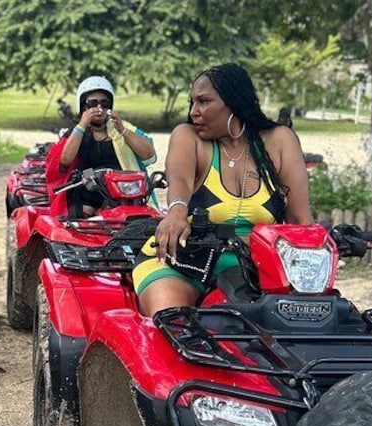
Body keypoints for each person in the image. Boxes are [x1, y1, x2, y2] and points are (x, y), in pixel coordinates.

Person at [134, 63, 313, 316]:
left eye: (204, 102)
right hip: (183, 258)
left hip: (253, 267)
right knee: (172, 324)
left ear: (233, 102)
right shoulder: (188, 136)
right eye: (192, 102)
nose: (194, 111)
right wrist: (176, 213)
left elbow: (299, 221)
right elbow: (180, 182)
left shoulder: (279, 140)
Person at [45, 75, 156, 216]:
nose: (99, 108)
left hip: (121, 194)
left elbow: (148, 154)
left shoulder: (122, 128)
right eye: (93, 104)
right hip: (85, 193)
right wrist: (83, 124)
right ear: (83, 106)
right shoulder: (77, 132)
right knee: (84, 213)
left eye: (105, 104)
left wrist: (122, 130)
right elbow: (65, 160)